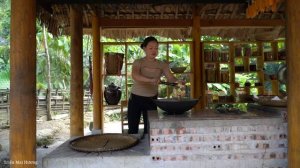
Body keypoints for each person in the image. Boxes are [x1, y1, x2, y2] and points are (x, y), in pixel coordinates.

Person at [127, 36, 179, 135]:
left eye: (156, 48)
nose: (154, 50)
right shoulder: (138, 62)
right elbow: (135, 76)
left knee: (150, 130)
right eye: (151, 48)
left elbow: (171, 78)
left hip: (151, 100)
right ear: (144, 48)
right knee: (133, 130)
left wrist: (178, 82)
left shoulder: (162, 64)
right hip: (136, 98)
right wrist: (151, 80)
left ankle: (148, 149)